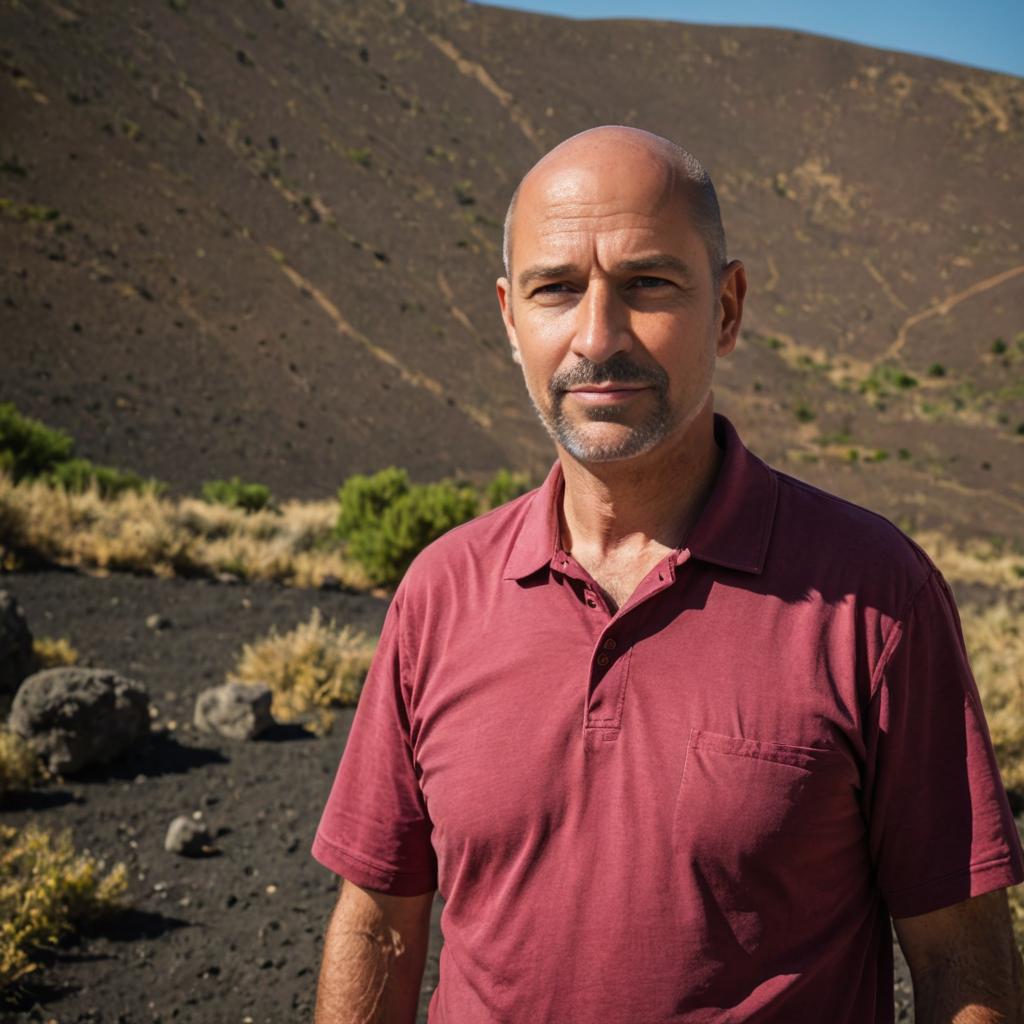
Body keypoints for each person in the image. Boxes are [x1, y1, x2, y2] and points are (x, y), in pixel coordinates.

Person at [311, 126, 1024, 1023]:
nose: (598, 336)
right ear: (509, 316)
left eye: (648, 283)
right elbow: (378, 925)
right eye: (556, 289)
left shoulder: (876, 598)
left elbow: (962, 960)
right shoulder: (440, 593)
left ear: (727, 309)